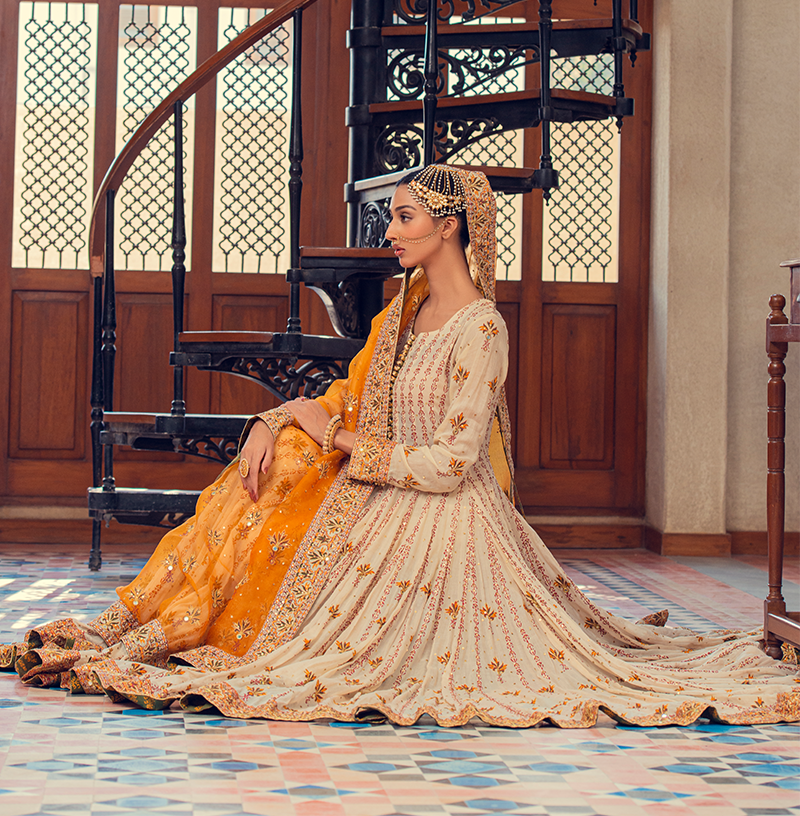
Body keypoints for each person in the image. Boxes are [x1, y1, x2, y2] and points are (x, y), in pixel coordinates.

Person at [3, 165, 800, 728]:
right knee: (271, 480)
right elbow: (346, 395)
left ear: (449, 226)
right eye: (391, 218)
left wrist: (342, 441)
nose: (390, 233)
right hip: (380, 494)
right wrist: (277, 420)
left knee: (351, 649)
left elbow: (450, 464)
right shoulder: (402, 316)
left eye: (405, 218)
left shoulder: (481, 330)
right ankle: (176, 613)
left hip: (443, 515)